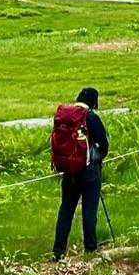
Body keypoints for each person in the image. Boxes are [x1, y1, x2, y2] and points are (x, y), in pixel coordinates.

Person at [52, 86, 109, 260]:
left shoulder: (66, 116)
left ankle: (58, 251)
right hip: (89, 171)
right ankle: (90, 249)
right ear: (94, 102)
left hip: (68, 171)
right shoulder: (90, 117)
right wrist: (97, 158)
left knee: (66, 209)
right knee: (89, 210)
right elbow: (104, 145)